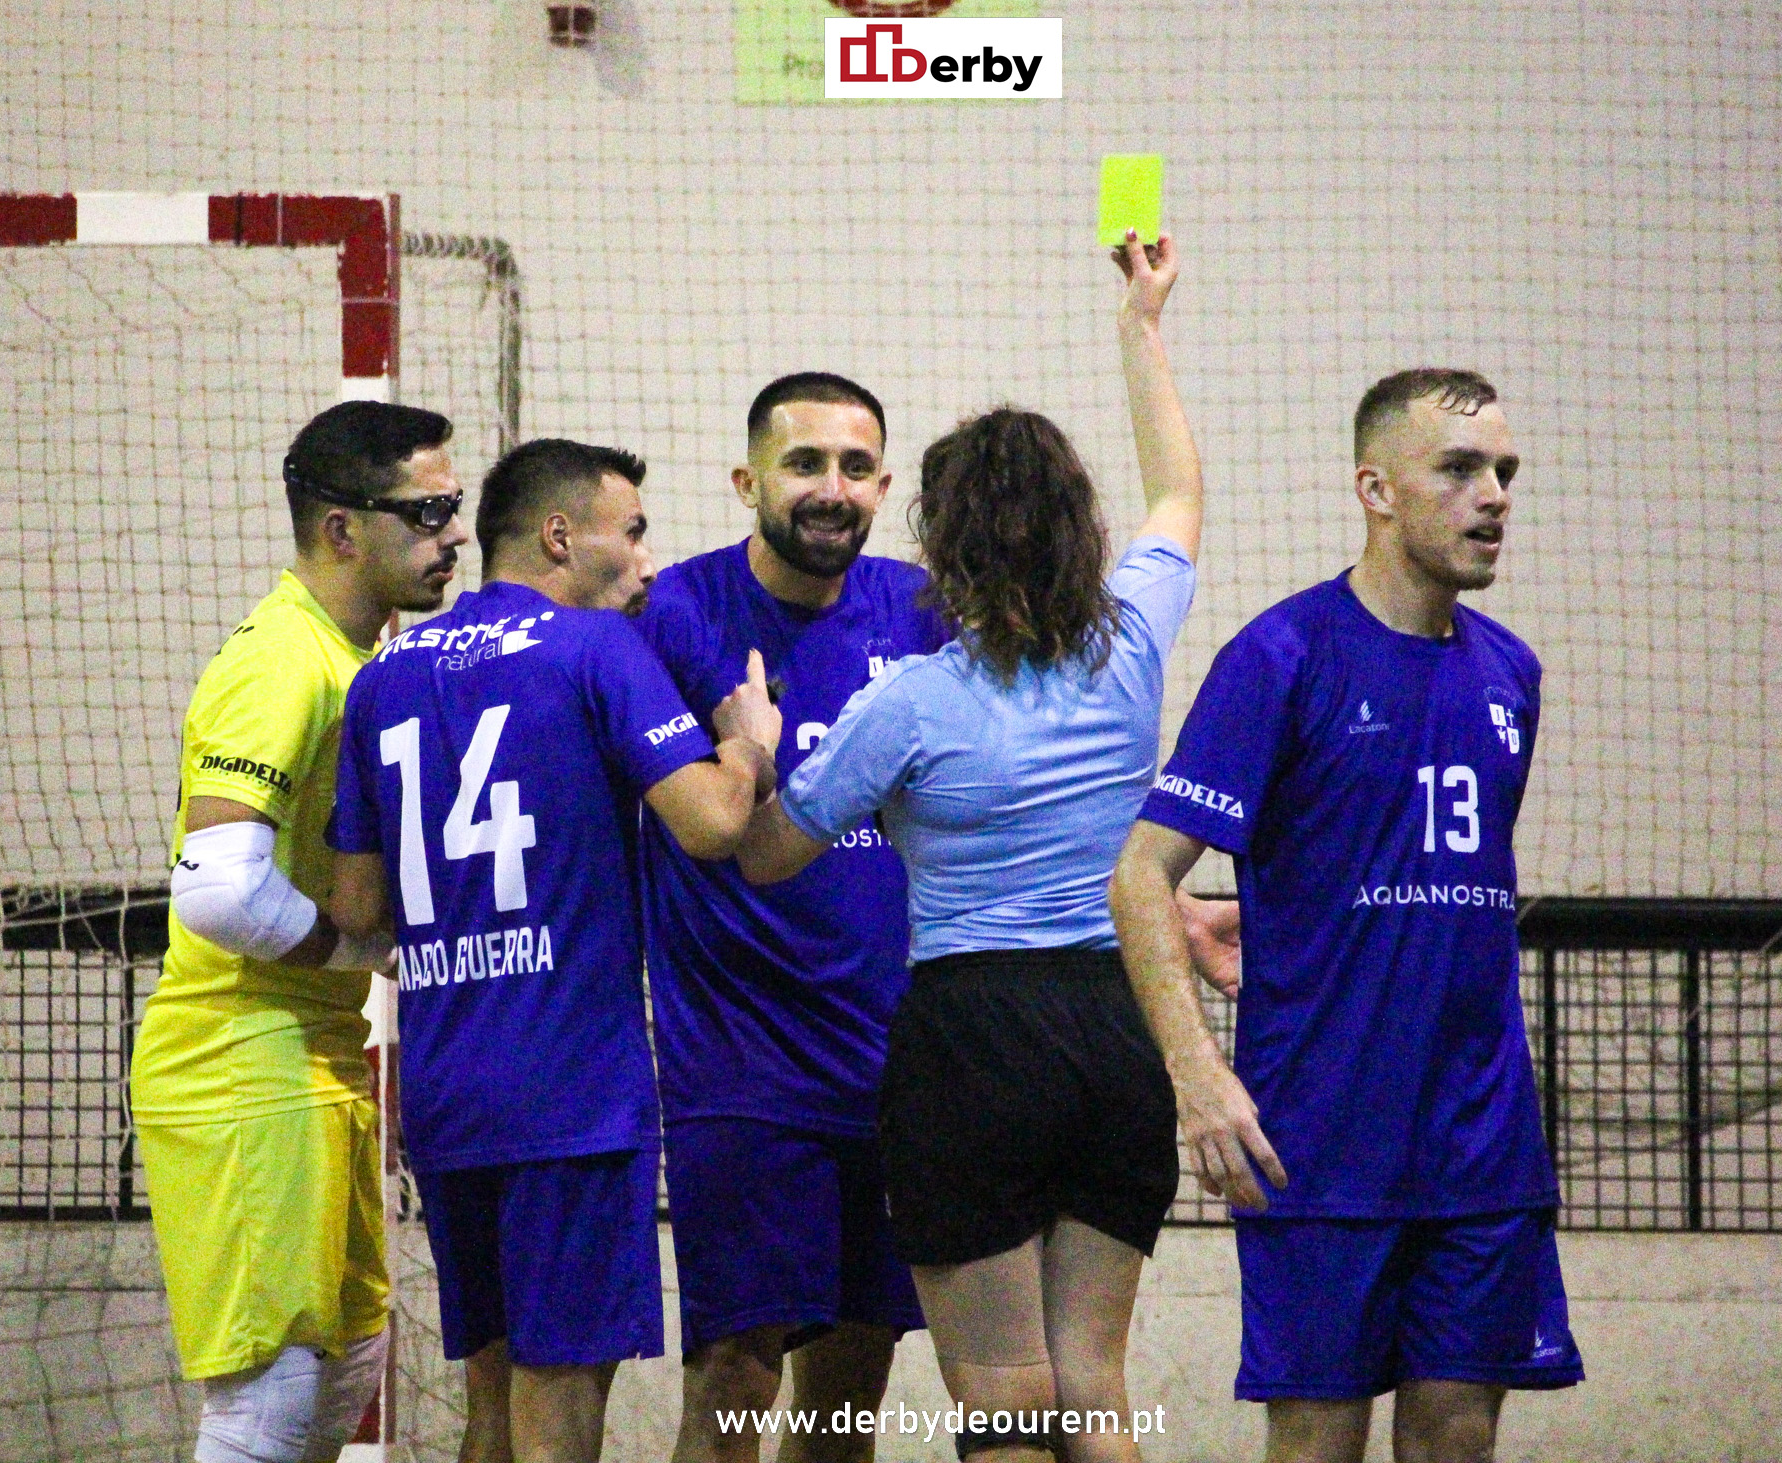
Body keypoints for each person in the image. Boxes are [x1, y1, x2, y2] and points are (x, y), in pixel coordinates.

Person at [734, 231, 1199, 1463]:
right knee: (1093, 1390)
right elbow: (1180, 494)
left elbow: (768, 853)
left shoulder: (907, 702)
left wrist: (766, 749)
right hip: (1119, 1023)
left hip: (969, 1033)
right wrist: (1138, 328)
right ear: (1076, 528)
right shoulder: (1130, 646)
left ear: (940, 545)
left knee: (1001, 1403)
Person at [1108, 369, 1584, 1463]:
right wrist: (1197, 1075)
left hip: (1481, 1145)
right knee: (1317, 1441)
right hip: (1319, 1144)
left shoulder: (1511, 673)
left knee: (1455, 1436)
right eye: (1458, 469)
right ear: (1374, 487)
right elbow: (1139, 874)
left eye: (1502, 471)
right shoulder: (1281, 657)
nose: (1493, 494)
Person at [325, 438, 783, 1463]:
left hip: (446, 1094)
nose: (648, 563)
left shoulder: (380, 675)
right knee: (558, 1410)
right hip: (570, 1096)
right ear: (561, 535)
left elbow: (356, 904)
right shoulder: (595, 648)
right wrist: (747, 739)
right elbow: (711, 822)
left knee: (491, 1405)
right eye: (632, 533)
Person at [129, 400, 467, 1463]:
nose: (453, 533)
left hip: (318, 1053)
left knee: (349, 1365)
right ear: (340, 530)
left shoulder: (364, 656)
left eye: (455, 508)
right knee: (269, 1397)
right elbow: (218, 891)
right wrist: (365, 951)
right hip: (240, 1056)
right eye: (427, 510)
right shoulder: (282, 659)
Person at [635, 374, 949, 1463]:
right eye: (804, 463)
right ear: (746, 480)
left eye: (855, 467)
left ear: (884, 485)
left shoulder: (924, 611)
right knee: (733, 1375)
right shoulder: (676, 608)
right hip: (740, 1066)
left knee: (849, 1390)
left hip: (897, 1065)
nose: (831, 488)